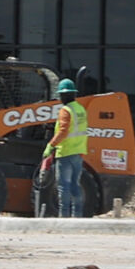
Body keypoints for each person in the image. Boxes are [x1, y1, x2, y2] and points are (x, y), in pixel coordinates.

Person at [43, 79, 90, 218]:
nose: (60, 98)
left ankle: (64, 217)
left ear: (64, 95)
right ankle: (77, 216)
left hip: (65, 152)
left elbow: (63, 131)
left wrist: (51, 145)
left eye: (61, 95)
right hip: (78, 152)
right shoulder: (80, 109)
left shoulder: (66, 110)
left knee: (64, 186)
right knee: (75, 185)